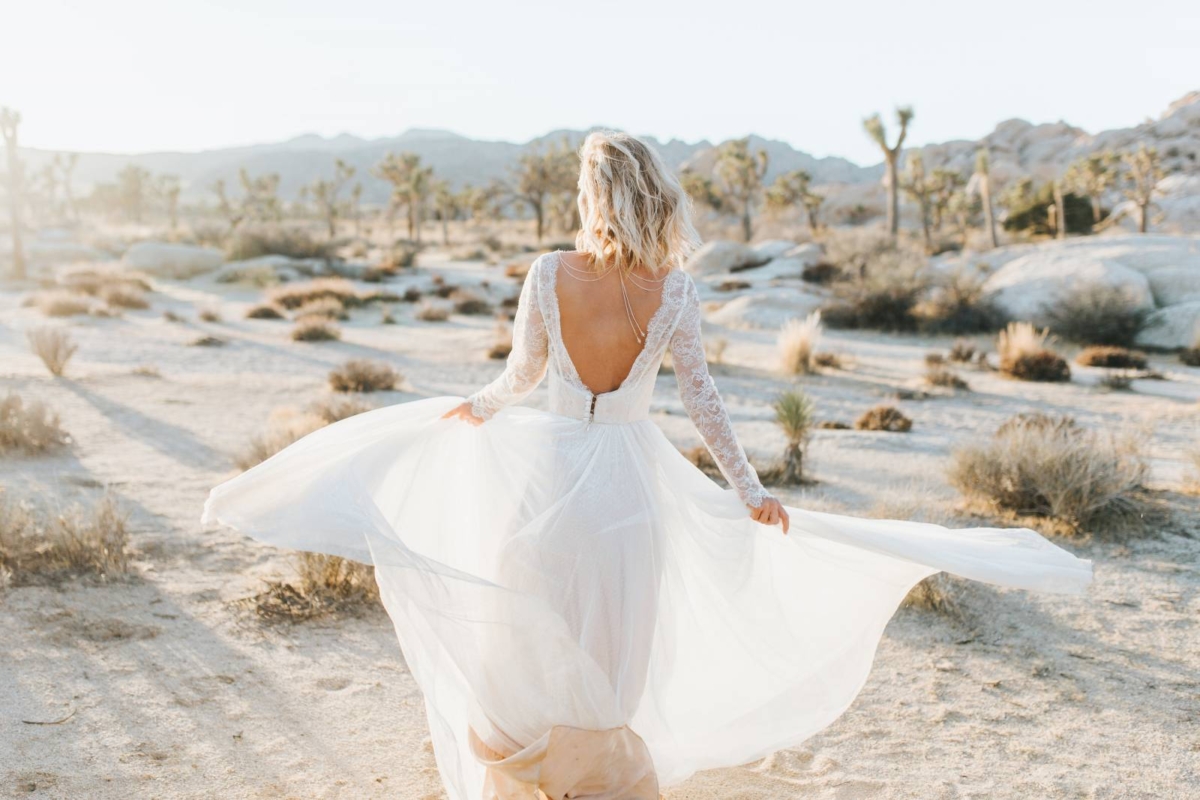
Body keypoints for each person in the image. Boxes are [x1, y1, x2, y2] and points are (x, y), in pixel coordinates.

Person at [204, 131, 1091, 800]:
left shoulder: (549, 273)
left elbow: (520, 377)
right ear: (652, 196)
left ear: (596, 196)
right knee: (613, 635)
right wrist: (751, 492)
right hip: (630, 480)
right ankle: (593, 776)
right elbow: (702, 401)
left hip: (547, 469)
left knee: (530, 616)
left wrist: (472, 411)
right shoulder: (675, 288)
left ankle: (522, 776)